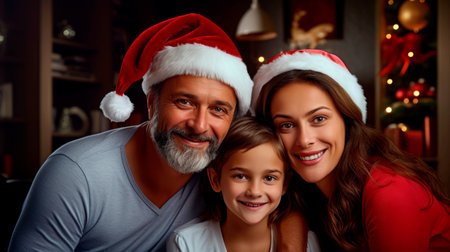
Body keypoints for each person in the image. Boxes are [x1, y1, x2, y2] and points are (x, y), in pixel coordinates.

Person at [8, 14, 255, 251]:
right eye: (184, 102)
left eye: (218, 110)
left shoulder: (230, 176)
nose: (199, 126)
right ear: (151, 103)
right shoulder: (76, 173)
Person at [252, 49, 450, 251]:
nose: (304, 140)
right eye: (286, 125)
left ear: (347, 120)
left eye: (319, 119)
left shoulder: (389, 192)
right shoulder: (304, 190)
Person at [166, 116, 321, 252]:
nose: (254, 191)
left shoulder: (307, 244)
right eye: (240, 176)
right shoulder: (186, 243)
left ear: (285, 184)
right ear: (215, 180)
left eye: (269, 178)